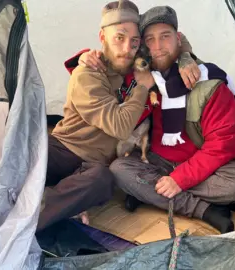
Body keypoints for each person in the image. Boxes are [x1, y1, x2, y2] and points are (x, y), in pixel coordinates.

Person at [107, 6, 235, 233]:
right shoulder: (140, 79)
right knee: (119, 169)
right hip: (157, 160)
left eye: (165, 37)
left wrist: (179, 179)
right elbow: (110, 57)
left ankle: (150, 193)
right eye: (150, 40)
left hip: (202, 163)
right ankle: (204, 210)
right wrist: (90, 58)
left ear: (178, 39)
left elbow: (222, 145)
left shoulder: (209, 82)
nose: (157, 47)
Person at [37, 0, 156, 231]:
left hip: (92, 166)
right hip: (63, 149)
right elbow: (120, 126)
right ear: (102, 38)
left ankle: (40, 209)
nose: (126, 49)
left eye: (134, 42)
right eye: (118, 38)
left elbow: (172, 42)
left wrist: (186, 60)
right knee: (20, 155)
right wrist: (142, 88)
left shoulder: (136, 66)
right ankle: (30, 212)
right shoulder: (87, 73)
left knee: (102, 181)